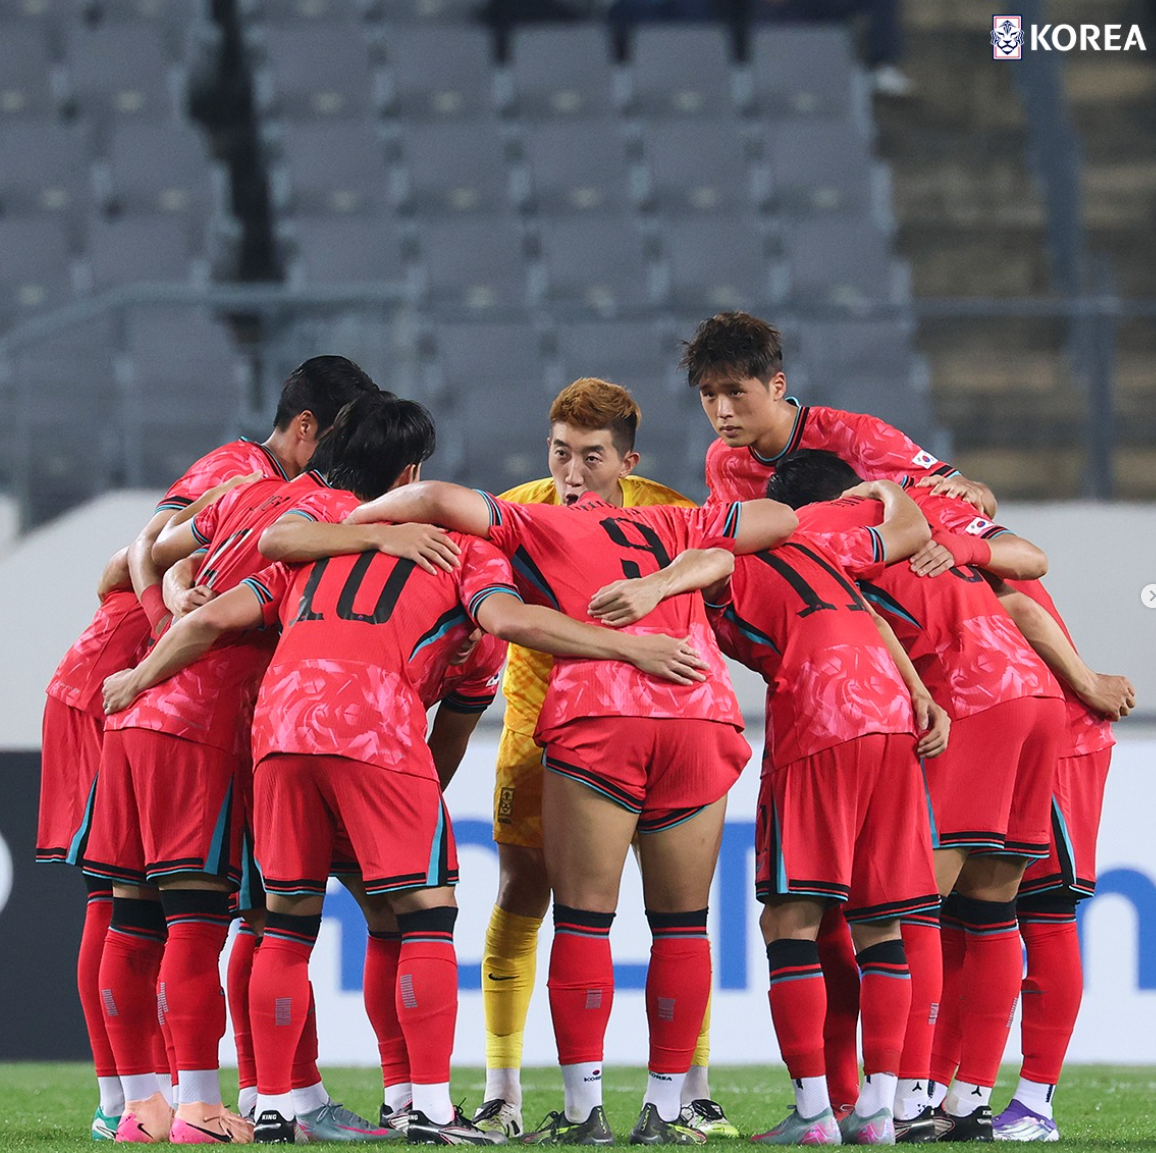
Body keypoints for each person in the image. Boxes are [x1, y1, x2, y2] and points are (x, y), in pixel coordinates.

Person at [104, 404, 715, 1146]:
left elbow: (204, 616)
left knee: (283, 926)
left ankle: (272, 1104)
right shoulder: (470, 552)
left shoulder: (312, 548)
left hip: (279, 722)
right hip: (375, 722)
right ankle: (424, 1105)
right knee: (420, 913)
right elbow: (498, 638)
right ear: (415, 481)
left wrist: (137, 677)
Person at [340, 476, 799, 1144]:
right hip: (698, 710)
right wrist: (663, 583)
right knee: (682, 927)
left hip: (600, 715)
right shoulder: (675, 525)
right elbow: (777, 517)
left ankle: (587, 1112)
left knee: (584, 921)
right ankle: (666, 1109)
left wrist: (358, 518)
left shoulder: (536, 521)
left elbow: (433, 497)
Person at [39, 355, 379, 1142]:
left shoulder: (250, 490)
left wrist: (175, 599)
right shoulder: (252, 475)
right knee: (187, 911)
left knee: (125, 904)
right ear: (310, 429)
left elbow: (160, 546)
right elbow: (126, 561)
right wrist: (169, 628)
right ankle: (187, 1102)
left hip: (135, 693)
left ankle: (131, 1101)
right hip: (149, 688)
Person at [593, 476, 946, 1144]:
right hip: (890, 714)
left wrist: (657, 583)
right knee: (880, 922)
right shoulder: (819, 540)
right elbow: (906, 535)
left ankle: (814, 1112)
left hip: (822, 714)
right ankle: (879, 1107)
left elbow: (717, 557)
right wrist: (917, 686)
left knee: (790, 916)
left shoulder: (720, 547)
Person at [766, 450, 1072, 1141]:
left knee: (911, 907)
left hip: (965, 695)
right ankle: (967, 1100)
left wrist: (920, 695)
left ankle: (910, 1098)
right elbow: (1026, 566)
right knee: (993, 905)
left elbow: (861, 622)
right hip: (1033, 692)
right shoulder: (925, 502)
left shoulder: (810, 529)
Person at [681, 311, 993, 516]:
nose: (722, 411)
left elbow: (980, 505)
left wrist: (975, 493)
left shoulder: (857, 437)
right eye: (709, 395)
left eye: (735, 392)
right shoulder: (722, 460)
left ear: (776, 387)